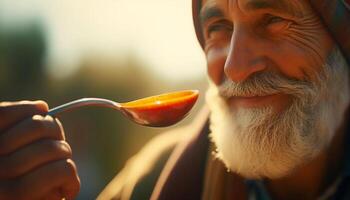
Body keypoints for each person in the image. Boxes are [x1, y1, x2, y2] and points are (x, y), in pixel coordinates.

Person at [1, 0, 350, 200]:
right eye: (217, 28)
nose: (235, 67)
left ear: (342, 38)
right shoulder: (151, 179)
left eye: (274, 20)